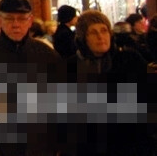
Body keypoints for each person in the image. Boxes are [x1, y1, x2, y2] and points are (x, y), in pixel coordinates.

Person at [0, 0, 62, 156]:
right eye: (9, 18)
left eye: (22, 19)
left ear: (30, 21)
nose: (16, 24)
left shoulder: (46, 56)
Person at [61, 10, 152, 156]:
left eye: (104, 30)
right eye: (93, 32)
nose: (100, 37)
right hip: (89, 146)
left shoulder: (129, 59)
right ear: (83, 38)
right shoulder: (70, 68)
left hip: (129, 144)